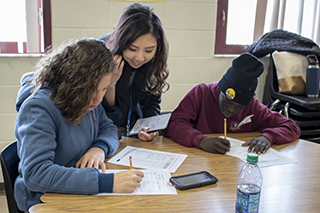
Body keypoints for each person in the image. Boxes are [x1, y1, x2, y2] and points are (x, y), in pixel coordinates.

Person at [14, 38, 144, 212]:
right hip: (45, 198)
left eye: (104, 89)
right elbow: (37, 174)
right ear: (74, 83)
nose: (98, 99)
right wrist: (107, 182)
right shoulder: (38, 108)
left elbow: (109, 128)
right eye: (93, 89)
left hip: (78, 186)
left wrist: (99, 148)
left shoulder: (88, 100)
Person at [164, 52, 301, 155]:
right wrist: (200, 140)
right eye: (228, 102)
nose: (231, 109)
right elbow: (174, 123)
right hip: (199, 160)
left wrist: (268, 137)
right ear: (219, 89)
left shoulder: (253, 107)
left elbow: (292, 127)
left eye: (239, 107)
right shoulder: (201, 93)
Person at [99, 3, 169, 141]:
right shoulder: (102, 53)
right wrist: (111, 83)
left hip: (132, 135)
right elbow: (105, 113)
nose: (139, 58)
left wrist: (149, 127)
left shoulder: (154, 61)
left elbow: (152, 103)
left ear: (158, 46)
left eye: (148, 50)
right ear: (121, 42)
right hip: (104, 134)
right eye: (132, 49)